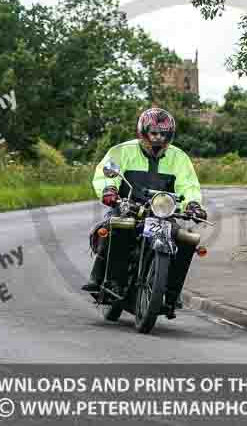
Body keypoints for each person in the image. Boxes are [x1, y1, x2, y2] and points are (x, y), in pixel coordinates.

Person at [82, 108, 208, 318]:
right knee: (114, 228)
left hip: (163, 213)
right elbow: (106, 172)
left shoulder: (179, 157)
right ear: (143, 131)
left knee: (188, 240)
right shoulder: (122, 151)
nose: (158, 139)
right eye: (154, 133)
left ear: (170, 135)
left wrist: (193, 204)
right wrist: (109, 189)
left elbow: (189, 185)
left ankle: (171, 293)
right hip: (128, 206)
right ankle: (102, 279)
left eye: (164, 134)